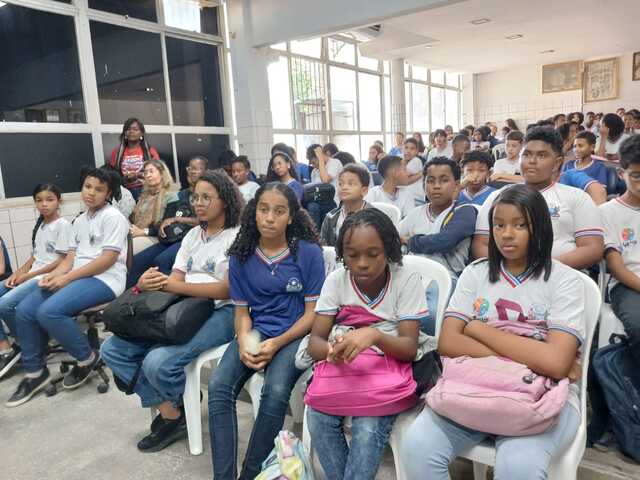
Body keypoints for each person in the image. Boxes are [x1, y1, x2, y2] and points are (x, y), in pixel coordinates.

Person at [402, 184, 586, 480]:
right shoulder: (476, 273)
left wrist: (476, 328)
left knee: (518, 468)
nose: (507, 234)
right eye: (499, 225)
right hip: (473, 387)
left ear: (539, 227)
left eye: (520, 225)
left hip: (538, 399)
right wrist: (533, 353)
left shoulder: (564, 280)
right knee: (417, 448)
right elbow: (449, 342)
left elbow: (556, 364)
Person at [101, 170, 242, 452]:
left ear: (225, 201)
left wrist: (173, 285)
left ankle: (172, 407)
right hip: (182, 307)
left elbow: (228, 290)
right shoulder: (192, 236)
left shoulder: (237, 237)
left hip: (223, 312)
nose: (198, 203)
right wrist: (151, 283)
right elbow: (176, 279)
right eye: (195, 197)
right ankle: (173, 411)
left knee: (157, 362)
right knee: (112, 350)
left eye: (206, 198)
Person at [208, 182, 325, 480]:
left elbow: (312, 315)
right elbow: (242, 313)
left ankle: (250, 474)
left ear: (290, 217)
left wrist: (277, 343)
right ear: (254, 213)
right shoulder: (241, 256)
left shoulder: (308, 253)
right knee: (220, 387)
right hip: (256, 331)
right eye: (263, 209)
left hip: (295, 335)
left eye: (279, 211)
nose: (270, 218)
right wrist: (246, 343)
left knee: (274, 392)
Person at [306, 208, 427, 480]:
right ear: (342, 254)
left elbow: (409, 348)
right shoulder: (336, 281)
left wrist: (374, 336)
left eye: (373, 254)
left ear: (389, 252)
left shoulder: (404, 279)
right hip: (345, 371)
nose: (362, 263)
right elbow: (315, 341)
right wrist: (331, 351)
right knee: (318, 417)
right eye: (352, 255)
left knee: (368, 426)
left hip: (387, 374)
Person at [7, 168, 128, 406]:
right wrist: (55, 275)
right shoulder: (79, 220)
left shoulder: (113, 217)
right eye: (87, 186)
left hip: (105, 279)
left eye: (99, 189)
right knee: (24, 310)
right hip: (76, 276)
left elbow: (107, 260)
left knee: (48, 311)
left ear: (109, 193)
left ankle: (87, 357)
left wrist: (68, 278)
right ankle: (35, 372)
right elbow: (70, 258)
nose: (91, 193)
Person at [472, 127, 604, 270]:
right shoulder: (498, 196)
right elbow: (481, 245)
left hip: (561, 276)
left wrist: (540, 268)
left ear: (557, 163)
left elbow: (593, 249)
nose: (532, 161)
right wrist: (512, 269)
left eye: (541, 155)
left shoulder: (577, 197)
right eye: (526, 155)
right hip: (507, 276)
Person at [0, 184, 72, 378]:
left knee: (5, 305)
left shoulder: (63, 225)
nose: (44, 204)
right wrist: (18, 272)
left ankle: (31, 343)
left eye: (49, 199)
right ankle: (16, 344)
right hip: (33, 273)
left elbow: (61, 260)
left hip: (45, 277)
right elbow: (35, 256)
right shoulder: (41, 225)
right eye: (39, 200)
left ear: (59, 201)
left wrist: (29, 276)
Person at [599, 135, 640, 366]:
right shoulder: (607, 212)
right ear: (620, 174)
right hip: (627, 285)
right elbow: (616, 266)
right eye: (636, 176)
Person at [400, 157, 476, 279]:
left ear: (456, 185)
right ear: (423, 185)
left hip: (447, 280)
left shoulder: (465, 211)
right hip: (413, 276)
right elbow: (395, 236)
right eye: (430, 181)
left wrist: (409, 241)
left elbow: (443, 241)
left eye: (444, 180)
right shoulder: (416, 213)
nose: (436, 186)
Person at [320, 164, 371, 247]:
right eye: (341, 184)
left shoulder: (374, 217)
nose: (344, 187)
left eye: (350, 184)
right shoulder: (331, 216)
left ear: (364, 190)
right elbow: (324, 247)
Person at [109, 117, 160, 200]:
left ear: (141, 133)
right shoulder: (117, 152)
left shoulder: (150, 151)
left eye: (135, 129)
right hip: (123, 193)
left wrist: (138, 175)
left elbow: (158, 172)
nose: (131, 131)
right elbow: (112, 175)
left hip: (146, 191)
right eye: (128, 129)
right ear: (125, 133)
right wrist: (124, 178)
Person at [306, 145, 343, 228]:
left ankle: (317, 237)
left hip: (334, 202)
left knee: (313, 207)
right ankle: (315, 236)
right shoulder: (314, 171)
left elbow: (325, 180)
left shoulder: (335, 163)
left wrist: (320, 158)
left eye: (314, 162)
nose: (313, 165)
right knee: (310, 206)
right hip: (319, 202)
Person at [403, 138, 426, 208]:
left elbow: (402, 177)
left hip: (416, 199)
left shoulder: (416, 160)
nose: (408, 151)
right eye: (406, 148)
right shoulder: (404, 162)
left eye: (412, 149)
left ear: (417, 151)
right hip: (407, 199)